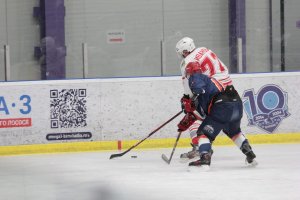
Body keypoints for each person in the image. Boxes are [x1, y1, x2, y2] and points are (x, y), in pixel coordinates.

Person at [177, 61, 257, 168]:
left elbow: (198, 87)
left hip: (222, 106)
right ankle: (249, 153)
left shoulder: (196, 77)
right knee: (234, 132)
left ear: (189, 72)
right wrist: (187, 119)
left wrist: (194, 96)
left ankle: (205, 158)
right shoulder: (210, 82)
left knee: (203, 133)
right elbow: (202, 114)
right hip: (236, 103)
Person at [175, 37, 232, 161]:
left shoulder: (187, 61)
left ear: (185, 51)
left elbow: (189, 83)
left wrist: (187, 99)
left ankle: (198, 146)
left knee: (193, 115)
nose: (182, 55)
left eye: (182, 52)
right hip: (224, 87)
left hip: (208, 92)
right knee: (226, 121)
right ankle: (247, 150)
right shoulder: (204, 49)